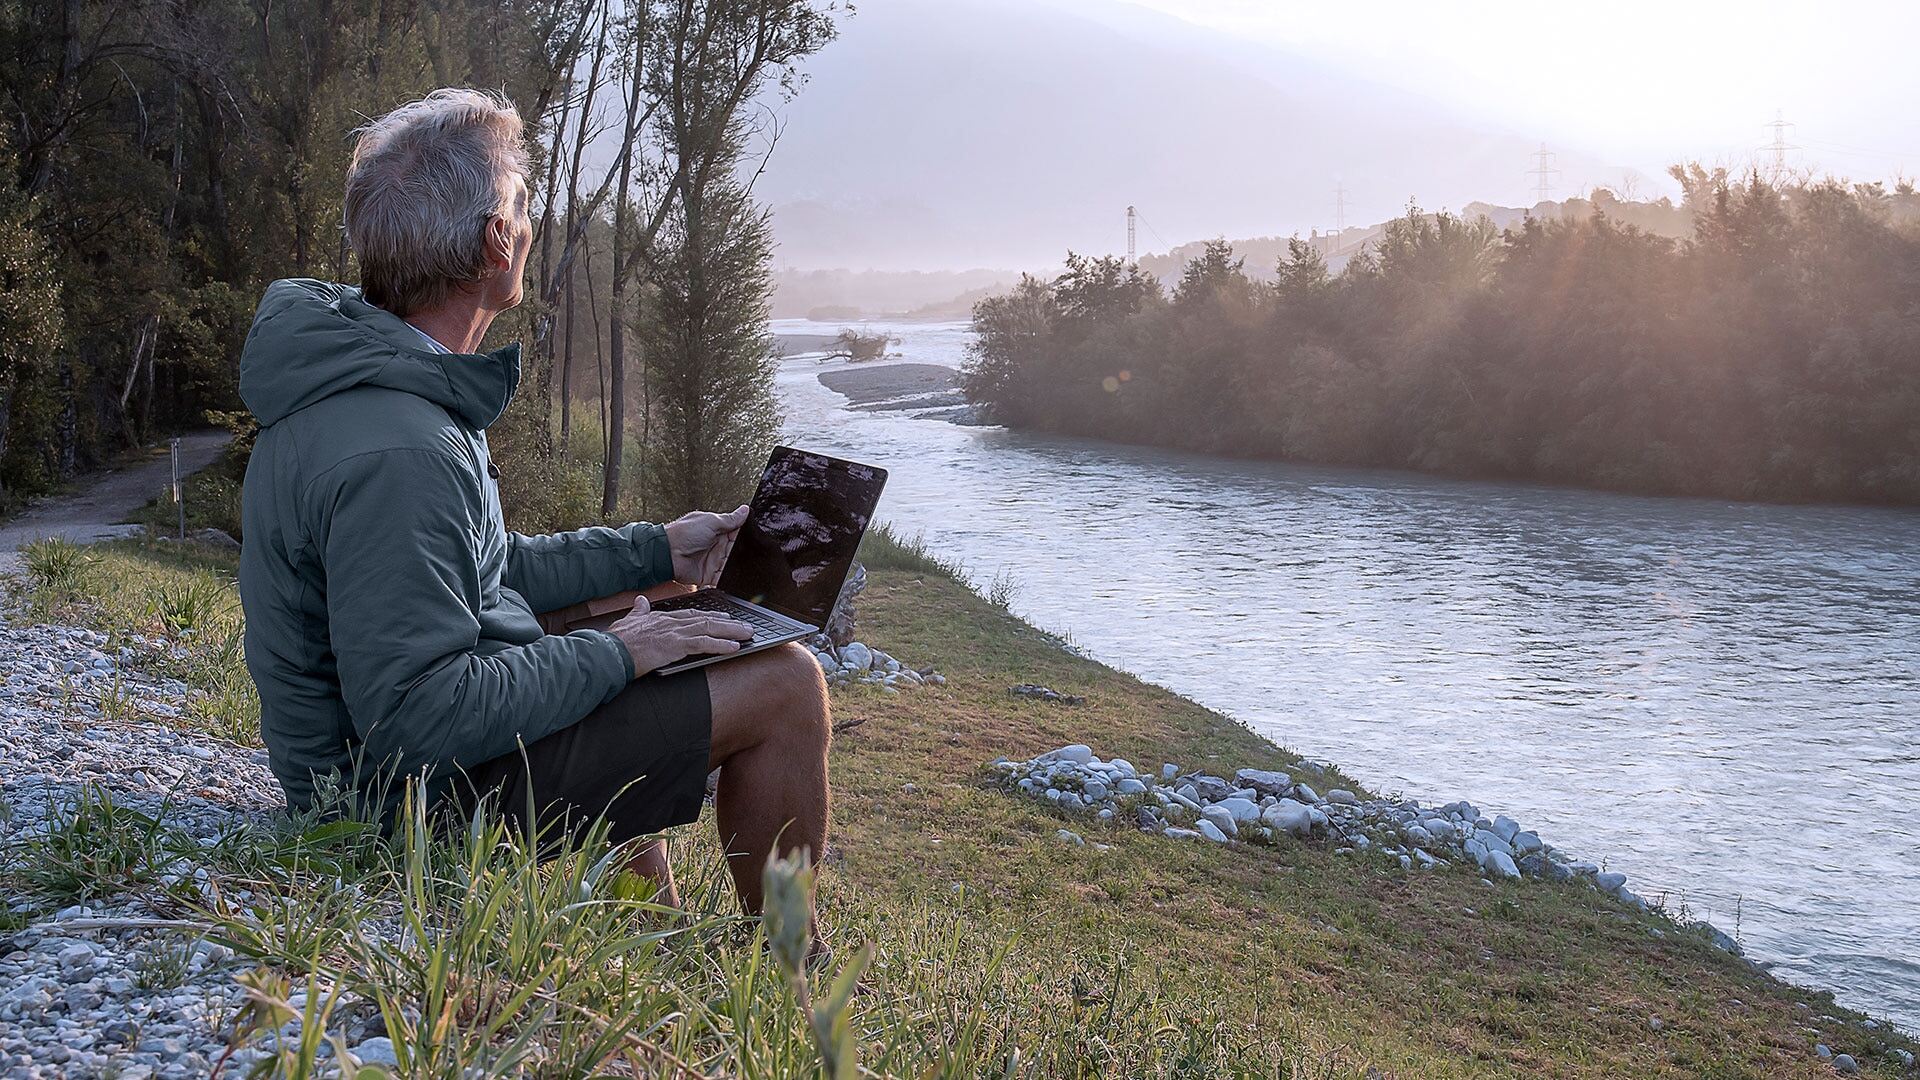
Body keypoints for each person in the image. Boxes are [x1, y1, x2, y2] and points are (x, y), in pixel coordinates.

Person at [234, 88, 829, 918]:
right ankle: (790, 967)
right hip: (388, 814)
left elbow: (481, 571)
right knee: (786, 683)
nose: (530, 221)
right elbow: (416, 718)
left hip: (391, 772)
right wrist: (620, 652)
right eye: (522, 204)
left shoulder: (377, 378)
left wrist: (662, 551)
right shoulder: (402, 448)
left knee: (653, 605)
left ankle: (644, 931)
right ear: (495, 242)